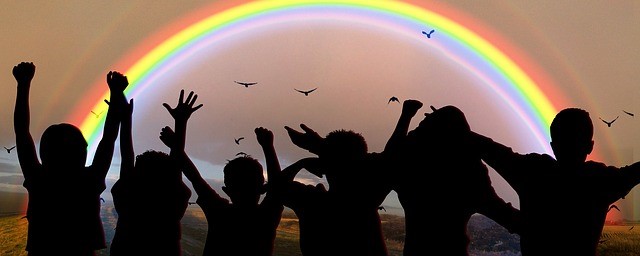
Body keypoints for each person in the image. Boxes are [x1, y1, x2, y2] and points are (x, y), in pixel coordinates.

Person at [469, 107, 640, 255]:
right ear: (590, 146)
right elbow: (636, 172)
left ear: (553, 145)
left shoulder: (531, 172)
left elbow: (486, 147)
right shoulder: (601, 180)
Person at [13, 62, 124, 255]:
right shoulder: (90, 180)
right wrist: (115, 94)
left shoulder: (38, 178)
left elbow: (21, 133)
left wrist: (23, 85)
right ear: (82, 152)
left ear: (44, 153)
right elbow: (109, 138)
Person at [384, 100, 519, 256]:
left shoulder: (411, 174)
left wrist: (406, 116)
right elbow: (511, 219)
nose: (414, 133)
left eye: (421, 127)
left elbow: (391, 157)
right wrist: (466, 135)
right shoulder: (471, 183)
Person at [160, 90, 283, 256]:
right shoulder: (266, 217)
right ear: (262, 188)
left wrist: (179, 127)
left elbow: (193, 175)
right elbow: (277, 187)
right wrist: (268, 147)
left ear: (226, 190)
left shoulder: (220, 212)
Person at [281, 127, 391, 256]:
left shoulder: (312, 202)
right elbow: (388, 157)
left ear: (324, 165)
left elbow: (277, 187)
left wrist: (302, 162)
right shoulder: (369, 198)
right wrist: (320, 147)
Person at [109, 93, 191, 255]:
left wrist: (125, 118)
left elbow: (126, 156)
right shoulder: (171, 201)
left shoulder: (128, 196)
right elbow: (175, 165)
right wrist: (180, 123)